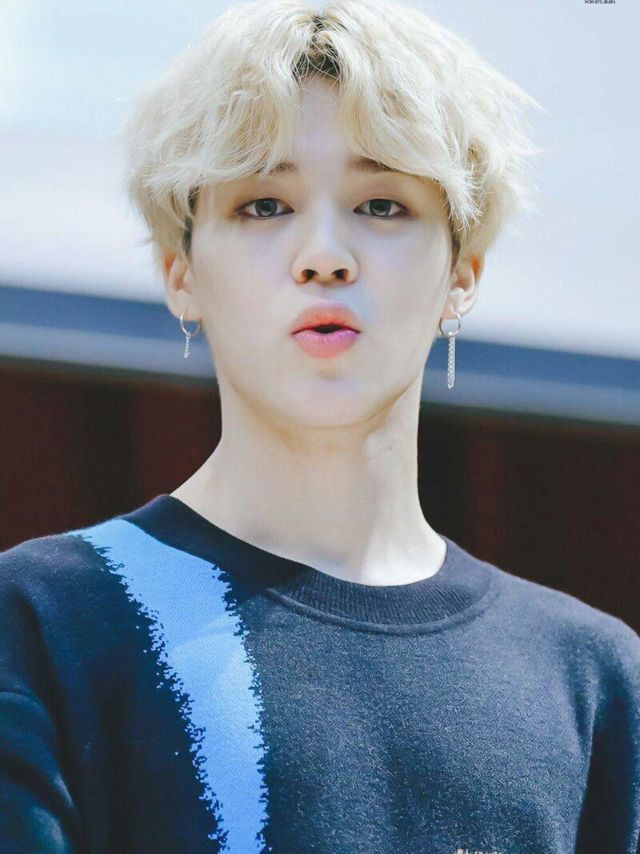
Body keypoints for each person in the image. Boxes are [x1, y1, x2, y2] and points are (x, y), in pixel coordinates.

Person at [1, 0, 639, 851]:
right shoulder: (46, 622)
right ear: (181, 272)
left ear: (463, 272)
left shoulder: (592, 680)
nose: (326, 256)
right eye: (265, 204)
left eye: (383, 204)